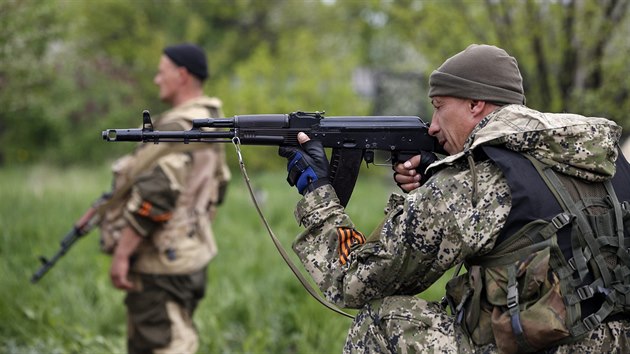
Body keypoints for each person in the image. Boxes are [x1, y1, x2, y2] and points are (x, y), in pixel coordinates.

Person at [279, 44, 630, 353]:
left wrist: (319, 194)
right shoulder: (605, 161)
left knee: (383, 321)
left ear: (475, 104)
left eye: (439, 106)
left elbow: (354, 282)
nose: (432, 126)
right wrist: (435, 179)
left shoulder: (472, 183)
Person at [99, 43, 231, 353]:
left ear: (182, 75)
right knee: (177, 332)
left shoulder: (179, 127)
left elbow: (157, 195)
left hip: (162, 259)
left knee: (164, 343)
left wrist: (122, 254)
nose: (157, 79)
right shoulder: (209, 119)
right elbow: (220, 185)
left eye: (162, 72)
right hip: (192, 249)